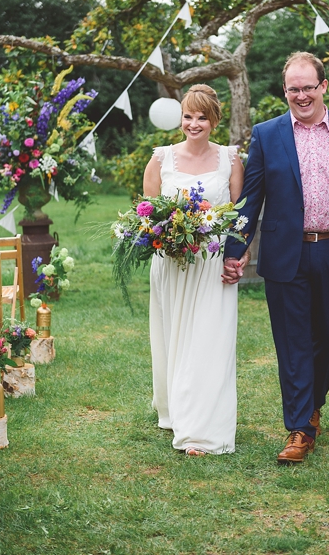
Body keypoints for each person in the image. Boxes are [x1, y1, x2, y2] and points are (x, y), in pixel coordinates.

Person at [223, 51, 329, 464]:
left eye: (309, 87)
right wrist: (234, 252)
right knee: (292, 342)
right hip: (284, 254)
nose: (301, 95)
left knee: (326, 337)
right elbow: (250, 199)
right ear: (285, 90)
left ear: (323, 86)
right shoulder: (268, 133)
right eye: (294, 89)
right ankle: (299, 428)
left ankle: (313, 406)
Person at [143, 84, 245, 456]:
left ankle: (200, 432)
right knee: (174, 339)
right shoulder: (161, 159)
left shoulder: (230, 160)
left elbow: (240, 215)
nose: (194, 123)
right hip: (171, 264)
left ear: (214, 120)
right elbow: (148, 213)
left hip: (212, 264)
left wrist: (239, 255)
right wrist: (165, 236)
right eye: (188, 115)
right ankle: (176, 410)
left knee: (209, 341)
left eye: (202, 117)